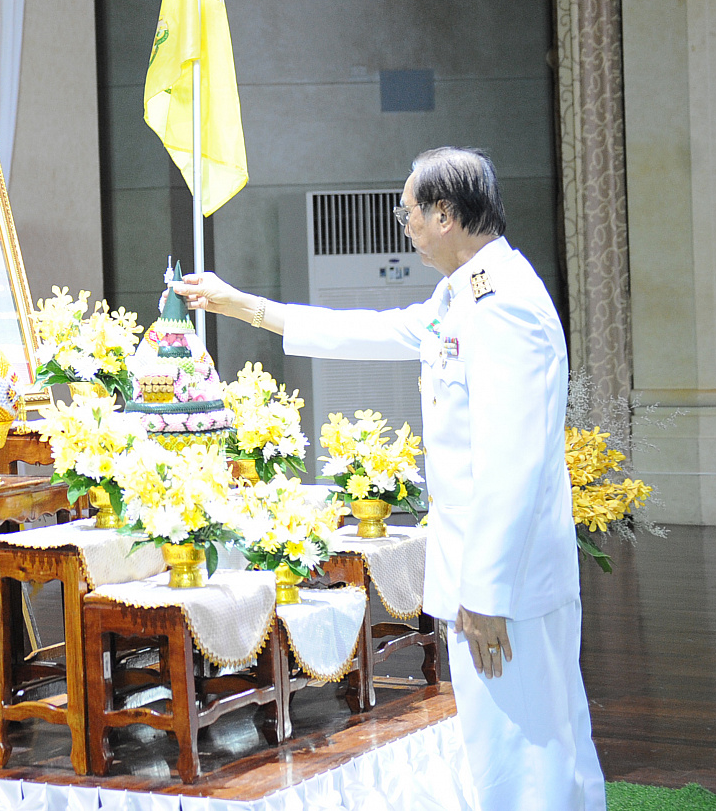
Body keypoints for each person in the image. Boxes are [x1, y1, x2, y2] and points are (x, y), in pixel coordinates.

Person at [174, 147, 605, 811]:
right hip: (492, 575)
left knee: (528, 754)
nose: (406, 226)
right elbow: (369, 332)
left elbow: (511, 463)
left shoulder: (503, 305)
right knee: (518, 750)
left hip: (509, 585)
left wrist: (486, 592)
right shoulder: (462, 293)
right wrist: (242, 306)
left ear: (446, 214)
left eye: (410, 213)